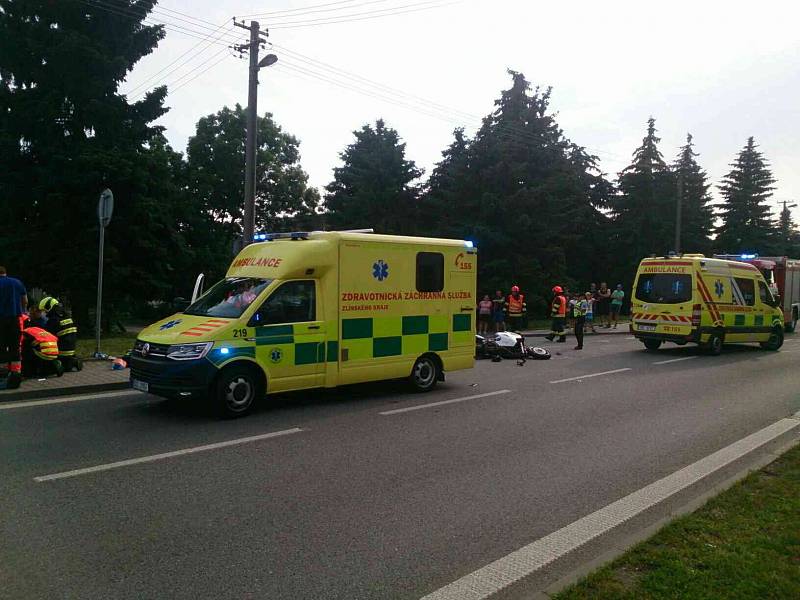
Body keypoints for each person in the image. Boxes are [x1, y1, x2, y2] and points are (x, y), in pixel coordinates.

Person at [0, 266, 27, 389]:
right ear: (5, 272)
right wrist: (22, 310)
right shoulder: (17, 282)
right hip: (15, 319)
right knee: (15, 346)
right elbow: (25, 300)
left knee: (1, 347)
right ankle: (16, 374)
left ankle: (3, 374)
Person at [40, 296, 82, 371]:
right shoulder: (68, 317)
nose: (43, 313)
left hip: (60, 352)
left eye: (44, 311)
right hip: (71, 350)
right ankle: (74, 362)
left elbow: (47, 337)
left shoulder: (53, 321)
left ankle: (59, 365)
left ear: (50, 308)